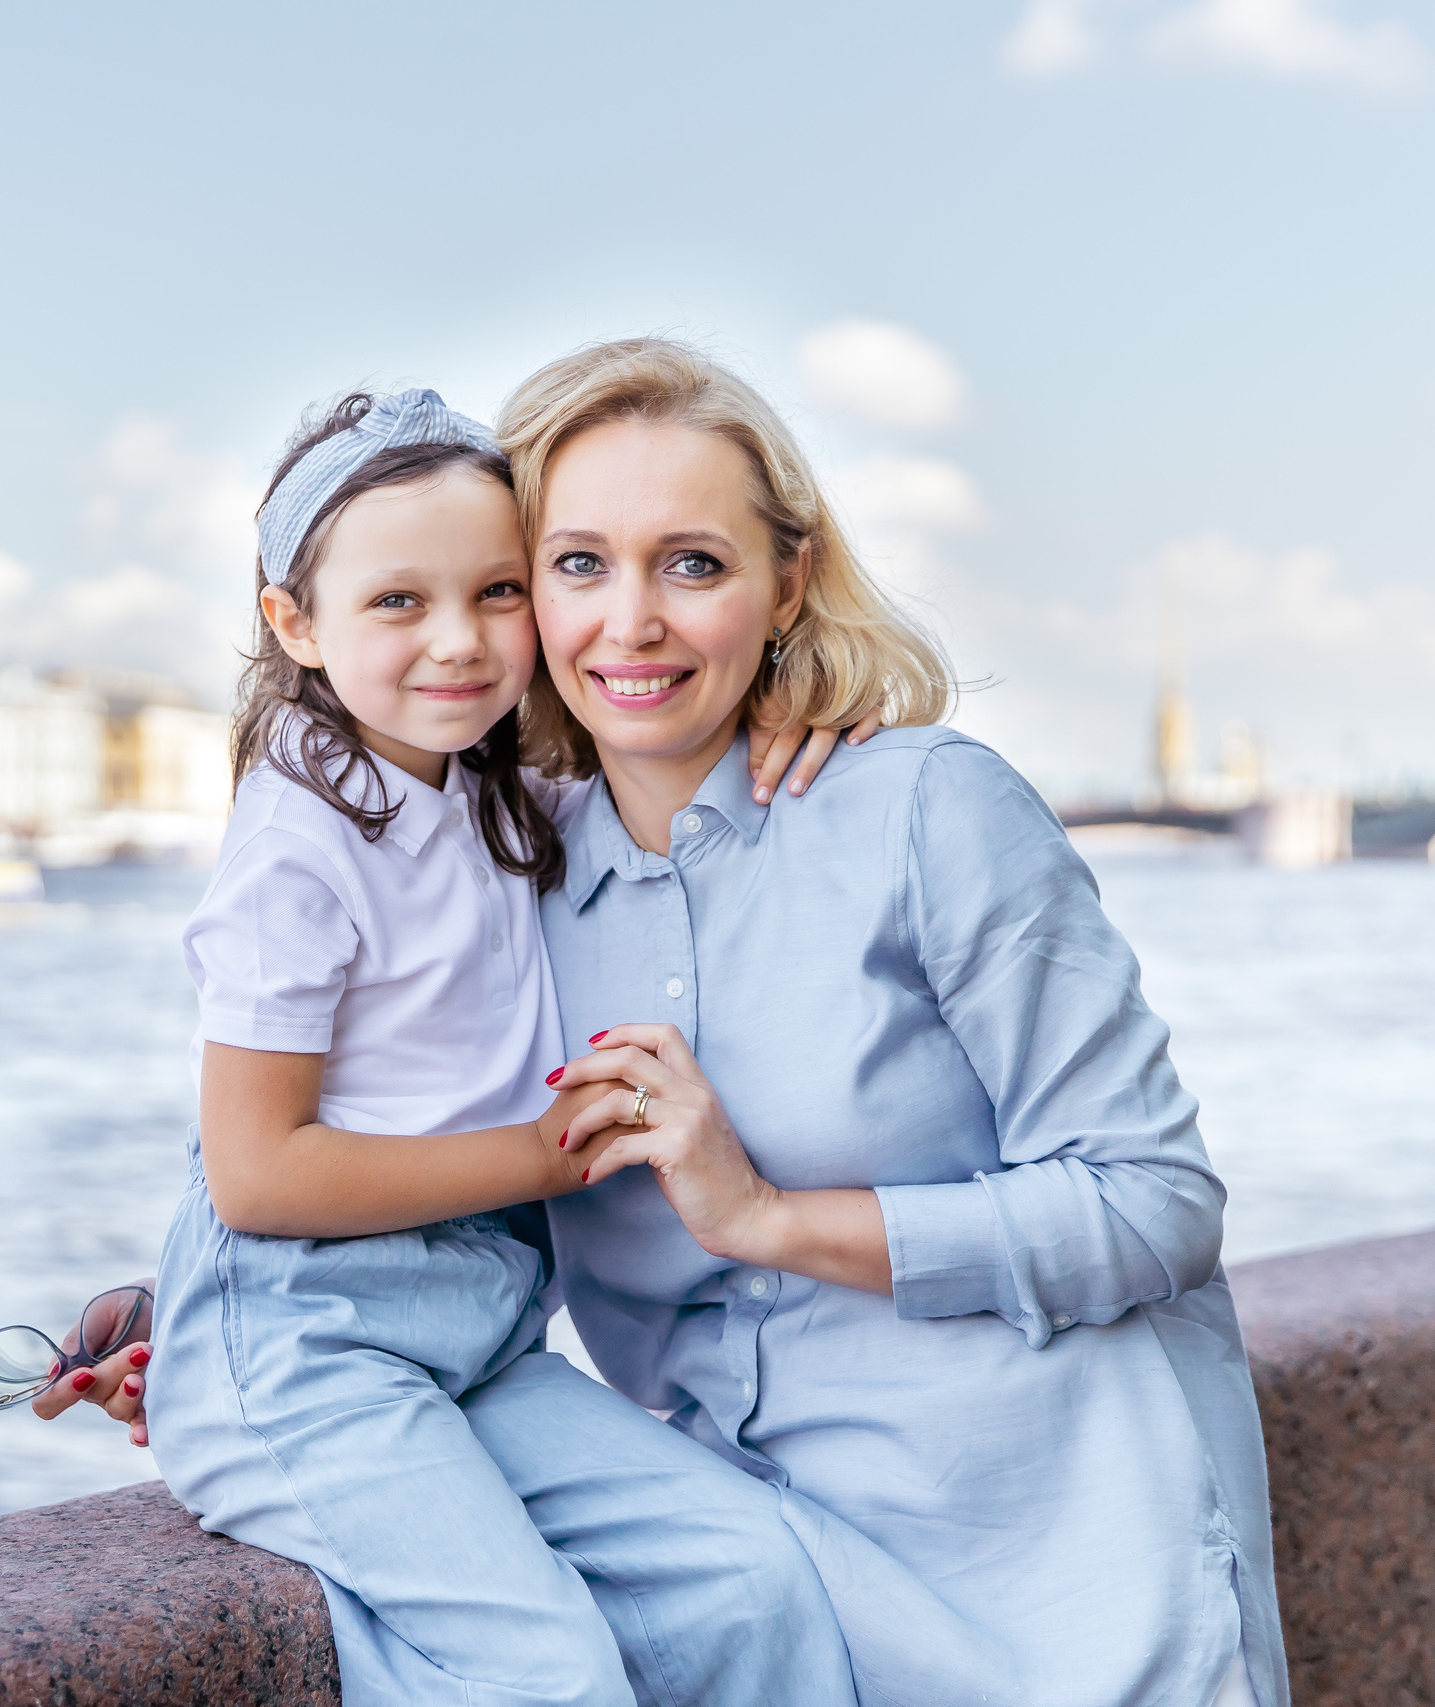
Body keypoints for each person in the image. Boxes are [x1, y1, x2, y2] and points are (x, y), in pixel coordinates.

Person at [511, 339, 1285, 1707]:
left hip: (1071, 1581)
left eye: (692, 563)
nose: (629, 623)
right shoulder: (507, 891)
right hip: (766, 1602)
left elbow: (1158, 1202)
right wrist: (229, 1313)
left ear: (786, 581)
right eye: (578, 565)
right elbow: (455, 1207)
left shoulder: (927, 810)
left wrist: (766, 1216)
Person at [97, 388, 863, 1707]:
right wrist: (548, 1157)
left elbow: (673, 753)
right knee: (543, 1671)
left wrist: (797, 710)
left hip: (482, 1339)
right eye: (398, 602)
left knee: (758, 1577)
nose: (458, 642)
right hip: (307, 1356)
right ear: (294, 622)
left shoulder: (489, 784)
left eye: (498, 592)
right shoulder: (297, 847)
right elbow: (256, 1180)